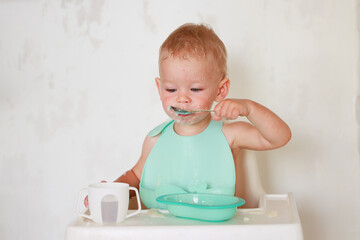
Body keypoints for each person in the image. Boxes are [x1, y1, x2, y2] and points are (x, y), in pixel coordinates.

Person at [85, 23, 291, 209]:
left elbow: (279, 137)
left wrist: (249, 108)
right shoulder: (155, 140)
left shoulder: (230, 135)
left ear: (220, 90)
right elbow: (135, 176)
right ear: (159, 88)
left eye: (195, 89)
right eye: (171, 89)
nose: (182, 99)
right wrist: (111, 191)